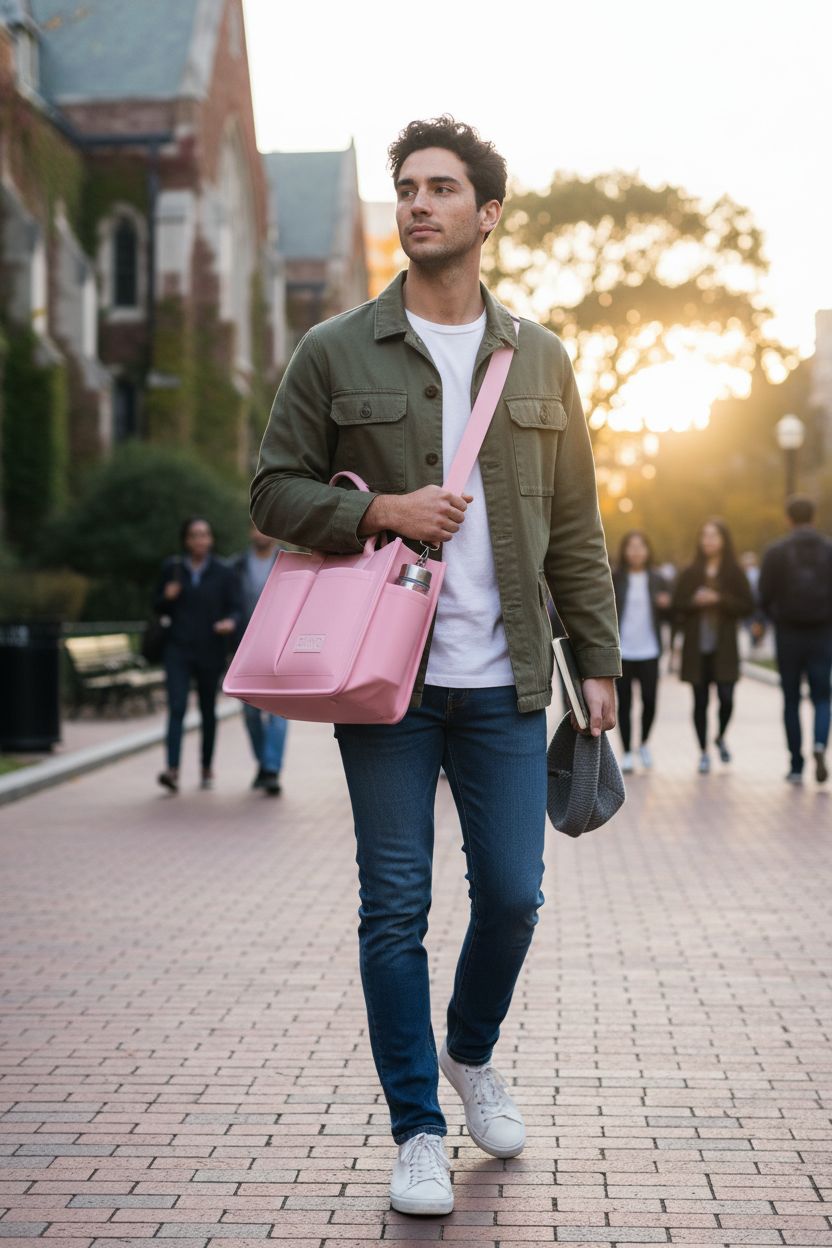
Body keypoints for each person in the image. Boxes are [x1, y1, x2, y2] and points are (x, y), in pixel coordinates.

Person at [250, 116, 621, 1216]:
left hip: (504, 680)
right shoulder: (334, 350)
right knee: (393, 907)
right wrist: (384, 515)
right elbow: (271, 494)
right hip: (386, 685)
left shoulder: (539, 356)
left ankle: (470, 1050)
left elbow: (575, 528)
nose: (417, 203)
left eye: (442, 188)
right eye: (406, 187)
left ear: (487, 213)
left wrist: (592, 658)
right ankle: (416, 1126)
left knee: (512, 895)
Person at [154, 517, 241, 793]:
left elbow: (236, 608)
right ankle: (172, 769)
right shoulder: (172, 569)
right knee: (177, 708)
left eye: (204, 534)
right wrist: (167, 596)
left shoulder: (224, 572)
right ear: (186, 540)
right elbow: (154, 605)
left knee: (207, 711)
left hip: (209, 649)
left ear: (211, 539)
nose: (199, 539)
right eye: (194, 535)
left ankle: (205, 765)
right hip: (177, 649)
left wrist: (230, 622)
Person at [758, 496, 832, 785]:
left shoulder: (776, 551)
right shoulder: (828, 549)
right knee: (822, 696)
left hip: (788, 633)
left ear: (789, 519)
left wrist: (772, 618)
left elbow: (763, 595)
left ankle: (796, 764)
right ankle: (819, 744)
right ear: (813, 517)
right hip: (823, 632)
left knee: (790, 698)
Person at [671, 518, 754, 774]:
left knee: (727, 697)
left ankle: (720, 737)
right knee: (700, 700)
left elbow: (748, 606)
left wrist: (719, 599)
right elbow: (677, 605)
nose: (708, 540)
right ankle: (704, 751)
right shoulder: (690, 572)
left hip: (724, 648)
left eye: (714, 535)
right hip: (697, 648)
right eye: (704, 535)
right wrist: (695, 601)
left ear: (724, 540)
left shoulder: (734, 572)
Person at [231, 524, 287, 795]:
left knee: (279, 711)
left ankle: (271, 769)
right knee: (250, 711)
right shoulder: (237, 566)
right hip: (245, 648)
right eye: (254, 528)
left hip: (279, 645)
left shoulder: (289, 561)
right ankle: (264, 762)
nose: (260, 533)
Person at [611, 530, 672, 773]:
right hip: (623, 651)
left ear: (648, 550)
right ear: (625, 551)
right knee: (624, 703)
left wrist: (667, 605)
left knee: (650, 700)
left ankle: (644, 743)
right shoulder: (615, 577)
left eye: (641, 546)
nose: (636, 551)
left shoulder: (659, 578)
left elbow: (672, 612)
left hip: (650, 650)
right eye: (631, 546)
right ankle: (626, 751)